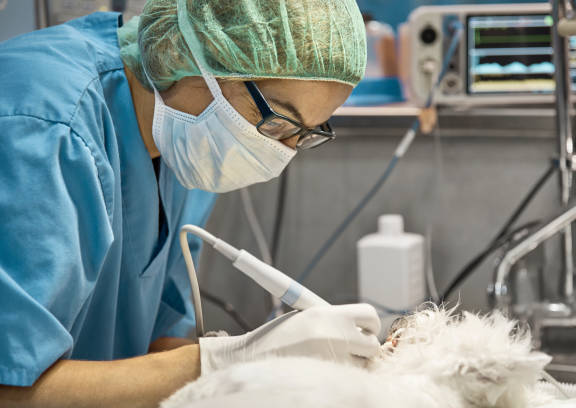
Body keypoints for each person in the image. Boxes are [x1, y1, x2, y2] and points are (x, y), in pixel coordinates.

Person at [0, 0, 381, 406]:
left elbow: (156, 339)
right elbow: (11, 387)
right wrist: (225, 360)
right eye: (278, 122)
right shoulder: (44, 128)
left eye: (307, 133)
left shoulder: (188, 136)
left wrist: (257, 369)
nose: (283, 152)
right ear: (201, 57)